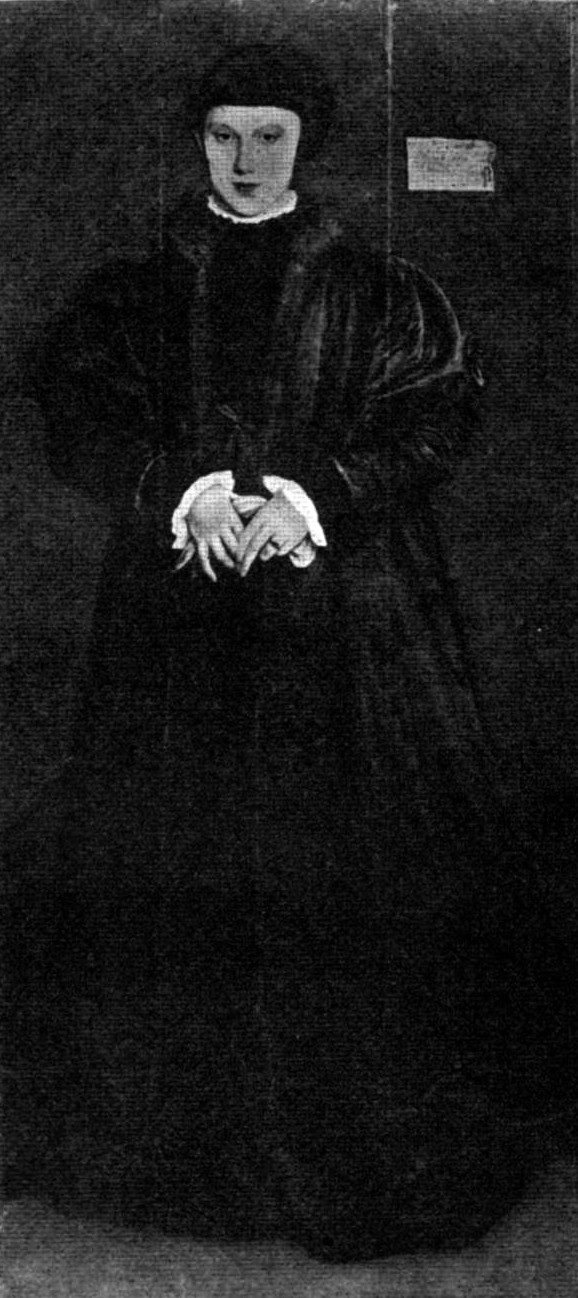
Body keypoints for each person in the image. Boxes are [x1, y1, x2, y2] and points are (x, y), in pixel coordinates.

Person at [5, 40, 577, 1263]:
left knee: (343, 860)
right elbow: (80, 415)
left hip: (340, 626)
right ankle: (187, 1159)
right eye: (225, 135)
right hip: (175, 629)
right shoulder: (129, 293)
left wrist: (312, 495)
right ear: (199, 142)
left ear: (303, 144)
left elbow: (433, 418)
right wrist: (188, 489)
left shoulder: (381, 291)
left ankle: (337, 1143)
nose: (247, 158)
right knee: (176, 857)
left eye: (269, 135)